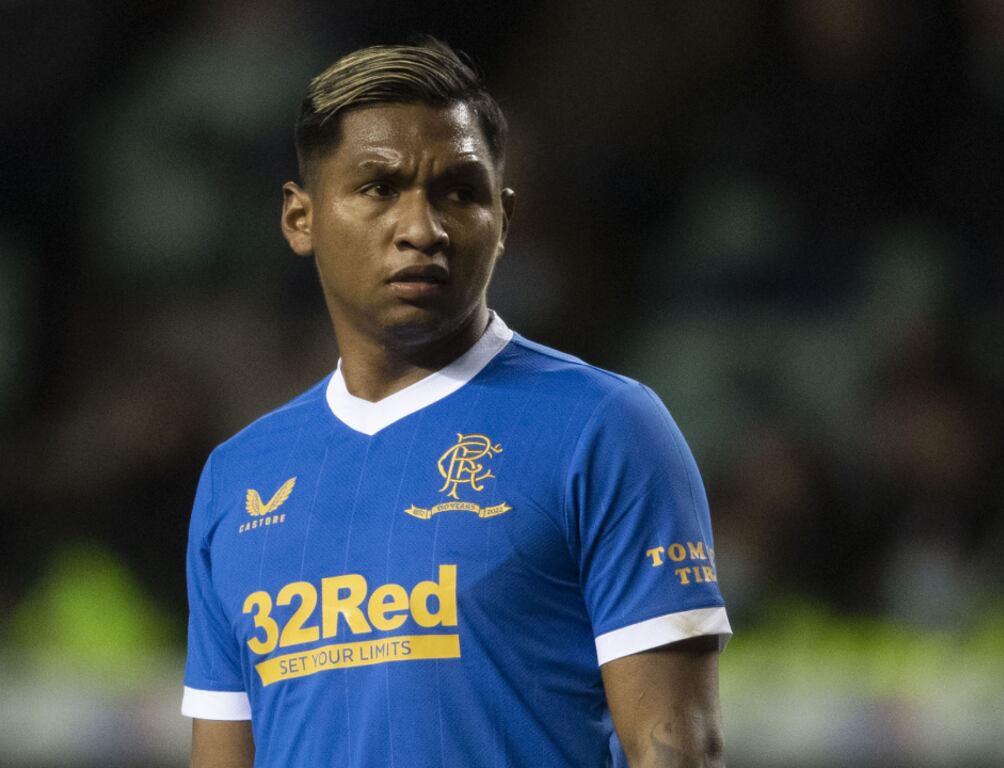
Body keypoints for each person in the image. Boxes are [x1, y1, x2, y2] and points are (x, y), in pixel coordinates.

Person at [180, 38, 730, 767]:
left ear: (501, 219)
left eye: (460, 191)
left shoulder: (606, 429)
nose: (423, 229)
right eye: (379, 188)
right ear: (300, 218)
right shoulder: (238, 478)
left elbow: (678, 753)